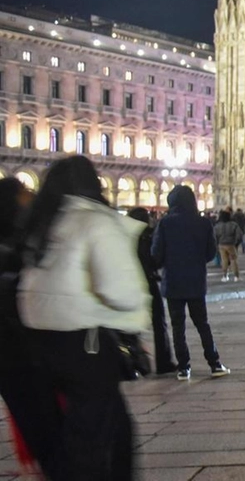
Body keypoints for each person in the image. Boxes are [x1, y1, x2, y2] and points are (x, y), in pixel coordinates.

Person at [17, 156, 149, 479]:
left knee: (84, 429)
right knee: (97, 436)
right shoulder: (96, 221)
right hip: (85, 343)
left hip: (40, 343)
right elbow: (123, 292)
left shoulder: (44, 222)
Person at [0, 177, 61, 477]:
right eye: (24, 194)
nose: (30, 198)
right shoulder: (21, 241)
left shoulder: (27, 236)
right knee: (42, 423)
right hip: (22, 346)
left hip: (26, 346)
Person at [153, 185, 231, 380]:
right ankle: (214, 364)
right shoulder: (203, 223)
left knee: (178, 327)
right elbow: (211, 253)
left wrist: (168, 262)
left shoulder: (165, 224)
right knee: (202, 324)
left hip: (173, 283)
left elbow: (156, 254)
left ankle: (183, 368)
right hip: (195, 282)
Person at [127, 207, 177, 375]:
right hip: (147, 281)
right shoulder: (148, 234)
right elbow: (155, 258)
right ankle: (163, 362)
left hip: (130, 282)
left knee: (130, 325)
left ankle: (132, 362)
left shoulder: (123, 236)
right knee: (159, 322)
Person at [213, 209, 241, 282]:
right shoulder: (234, 225)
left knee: (224, 260)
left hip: (221, 244)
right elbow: (239, 235)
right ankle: (236, 276)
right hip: (231, 244)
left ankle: (225, 276)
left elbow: (214, 236)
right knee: (233, 260)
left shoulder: (218, 225)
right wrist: (236, 242)